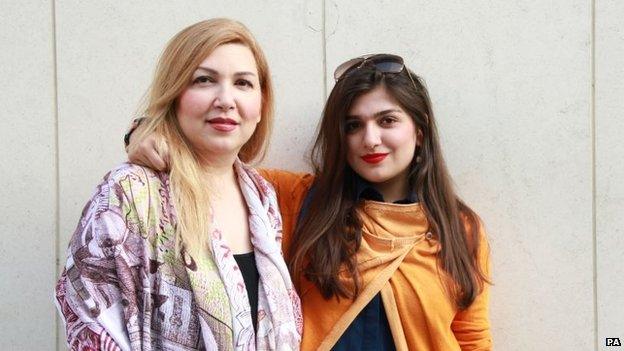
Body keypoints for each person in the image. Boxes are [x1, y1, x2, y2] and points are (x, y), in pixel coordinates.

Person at [128, 54, 492, 350]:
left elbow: (472, 339)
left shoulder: (460, 228)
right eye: (353, 125)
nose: (370, 139)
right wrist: (144, 132)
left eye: (387, 121)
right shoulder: (299, 199)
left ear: (420, 129)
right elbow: (212, 162)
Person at [55, 19, 302, 351]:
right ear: (174, 95)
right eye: (204, 80)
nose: (226, 99)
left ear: (261, 105)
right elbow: (88, 320)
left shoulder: (263, 197)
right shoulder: (129, 193)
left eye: (243, 83)